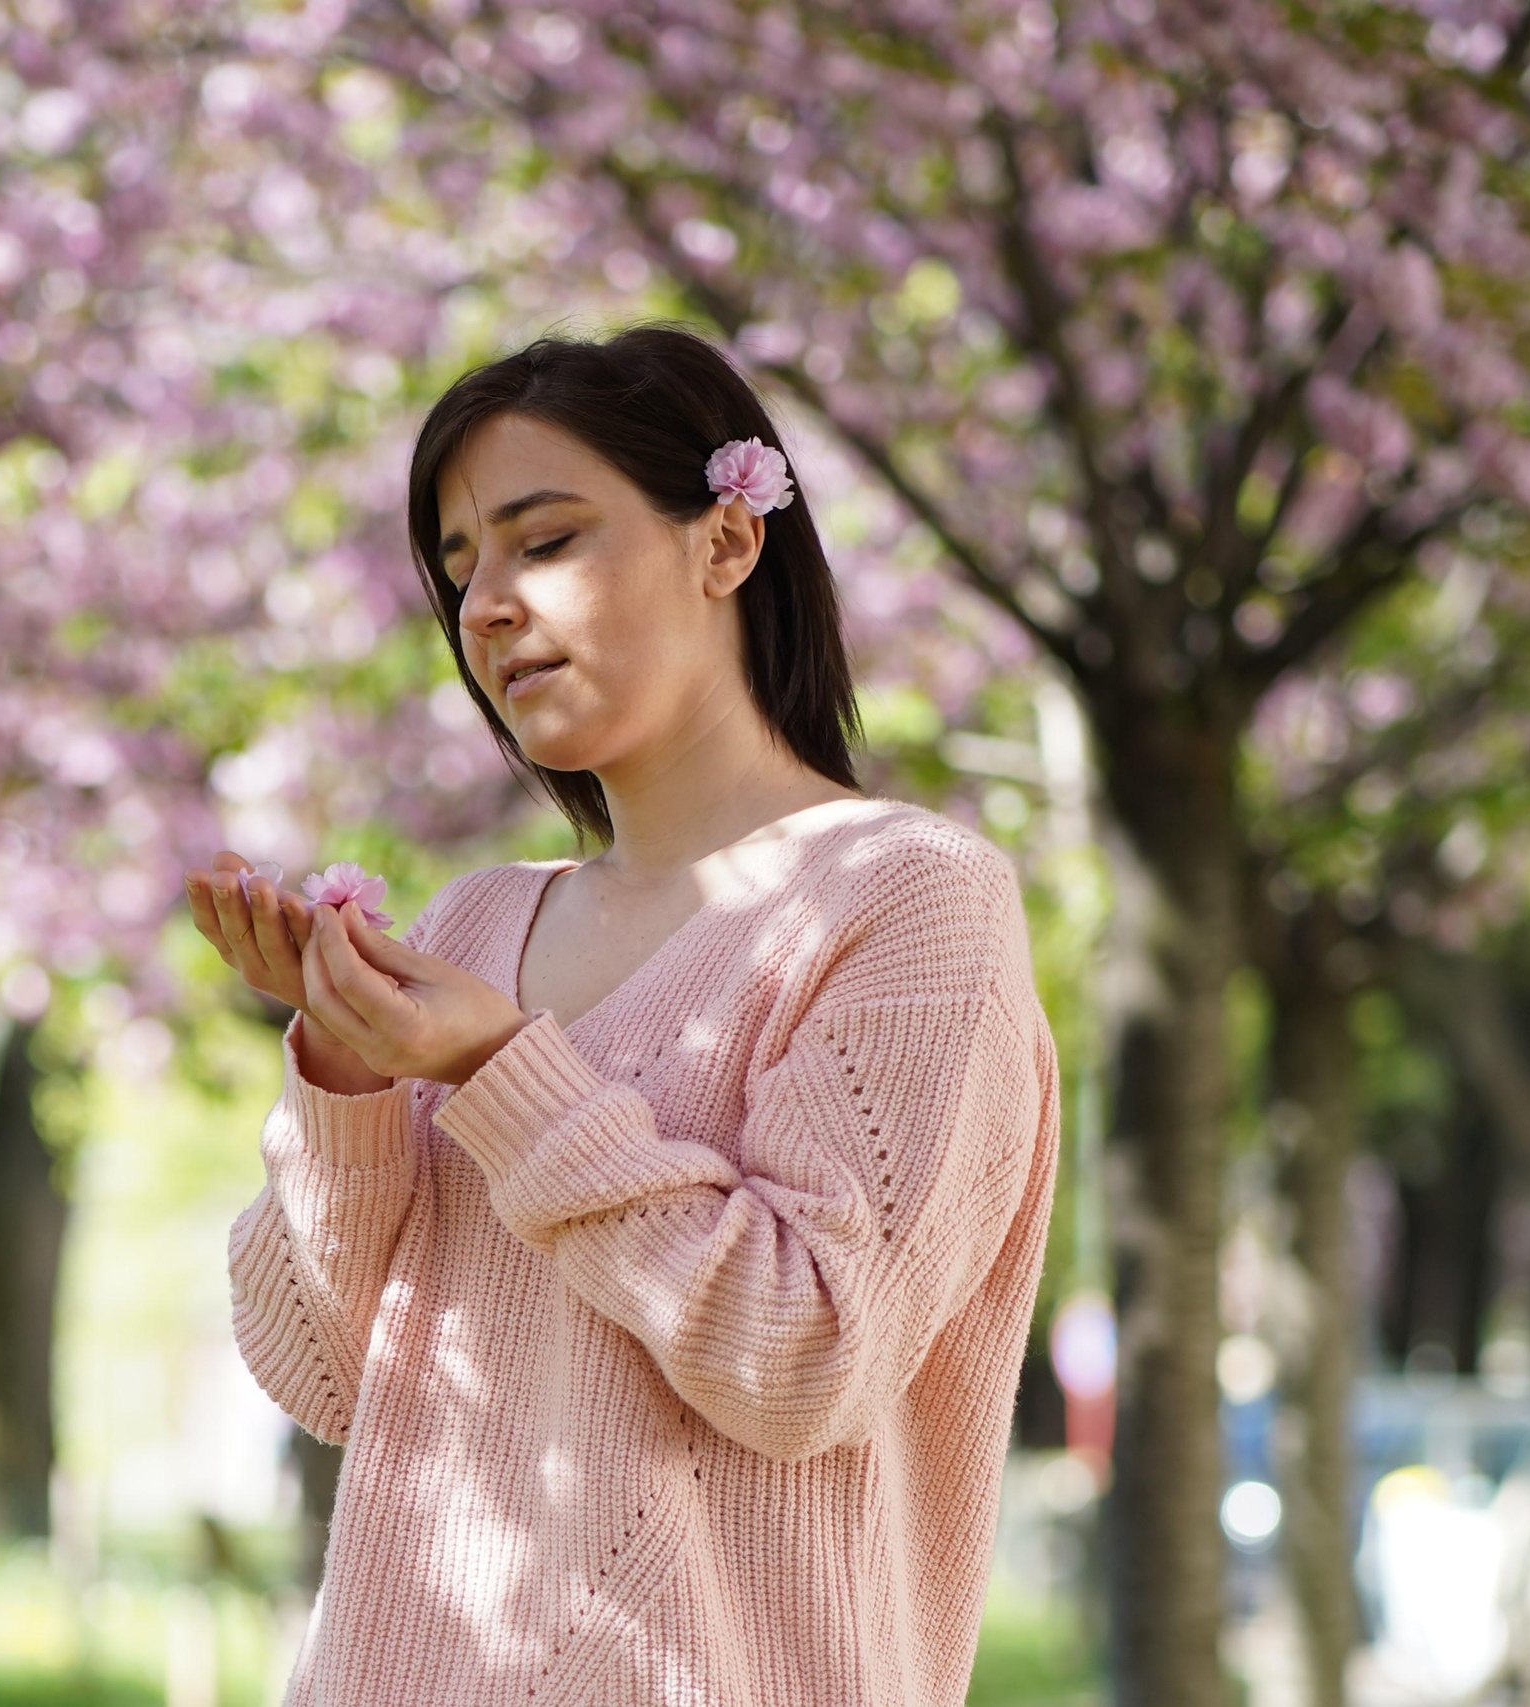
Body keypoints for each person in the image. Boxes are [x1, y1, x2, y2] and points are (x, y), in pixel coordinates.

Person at [184, 324, 1060, 1707]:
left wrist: (495, 1070)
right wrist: (345, 1084)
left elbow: (805, 1357)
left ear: (725, 542)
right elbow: (320, 1376)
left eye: (545, 542)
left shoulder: (908, 902)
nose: (486, 607)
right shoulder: (471, 928)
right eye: (460, 568)